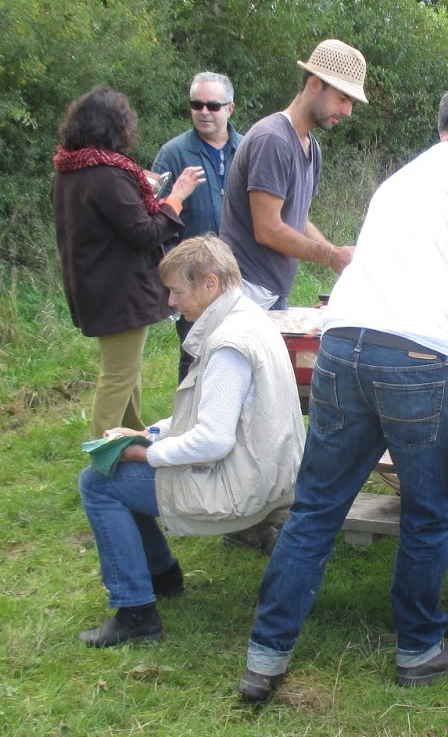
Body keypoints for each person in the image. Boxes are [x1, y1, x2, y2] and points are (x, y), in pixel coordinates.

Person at [238, 80, 448, 703]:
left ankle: (265, 657)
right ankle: (418, 648)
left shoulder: (401, 179)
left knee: (316, 509)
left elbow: (406, 276)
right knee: (428, 510)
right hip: (415, 361)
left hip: (342, 344)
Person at [75, 236, 306, 648]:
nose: (170, 302)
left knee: (98, 483)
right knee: (118, 477)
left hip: (245, 485)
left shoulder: (228, 345)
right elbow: (214, 412)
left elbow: (213, 440)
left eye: (177, 291)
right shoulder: (249, 317)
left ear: (210, 283)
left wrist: (145, 454)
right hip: (271, 470)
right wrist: (148, 433)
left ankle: (135, 612)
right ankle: (162, 575)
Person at [51, 85, 202, 438]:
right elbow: (146, 232)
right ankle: (101, 454)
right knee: (118, 376)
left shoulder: (67, 172)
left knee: (126, 370)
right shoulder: (108, 174)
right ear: (117, 126)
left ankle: (134, 434)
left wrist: (142, 192)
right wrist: (176, 198)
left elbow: (110, 222)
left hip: (90, 285)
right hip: (118, 290)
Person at [218, 40, 364, 310]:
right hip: (244, 292)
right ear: (314, 84)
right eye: (342, 98)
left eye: (351, 102)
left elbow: (298, 220)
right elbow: (268, 229)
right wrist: (330, 255)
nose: (348, 111)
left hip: (273, 293)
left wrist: (339, 258)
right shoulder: (273, 139)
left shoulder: (312, 147)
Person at [152, 71, 243, 380]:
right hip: (193, 279)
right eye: (196, 104)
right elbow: (155, 218)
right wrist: (174, 272)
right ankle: (188, 410)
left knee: (239, 353)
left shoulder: (248, 148)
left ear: (230, 108)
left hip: (241, 275)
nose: (204, 112)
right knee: (194, 357)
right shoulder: (172, 154)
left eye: (213, 106)